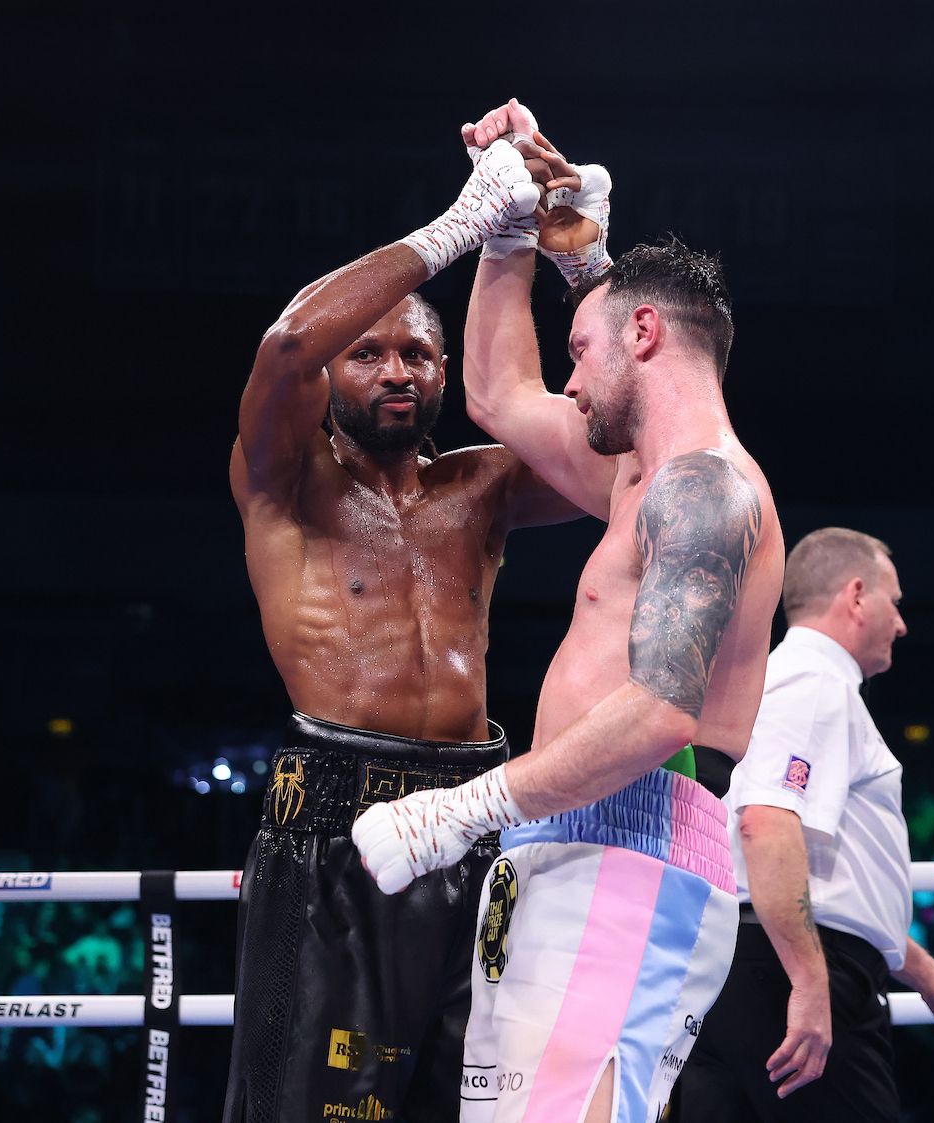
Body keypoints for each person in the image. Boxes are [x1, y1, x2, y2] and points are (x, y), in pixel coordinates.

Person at [354, 101, 786, 1123]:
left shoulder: (707, 491)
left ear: (644, 333)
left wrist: (455, 809)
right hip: (570, 841)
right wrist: (512, 225)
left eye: (583, 350)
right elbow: (500, 395)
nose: (572, 379)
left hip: (636, 841)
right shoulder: (644, 482)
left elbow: (665, 712)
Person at [222, 135, 582, 1123]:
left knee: (476, 1104)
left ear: (444, 371)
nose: (394, 369)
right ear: (334, 376)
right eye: (369, 352)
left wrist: (557, 228)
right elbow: (288, 343)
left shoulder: (482, 488)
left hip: (479, 816)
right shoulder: (282, 485)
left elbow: (618, 439)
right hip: (333, 822)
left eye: (417, 352)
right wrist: (463, 227)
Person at [674, 527, 934, 1121]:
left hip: (758, 958)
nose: (900, 624)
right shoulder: (817, 684)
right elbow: (765, 824)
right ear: (855, 596)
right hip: (792, 965)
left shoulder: (792, 683)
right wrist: (810, 981)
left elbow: (835, 882)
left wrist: (923, 974)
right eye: (894, 602)